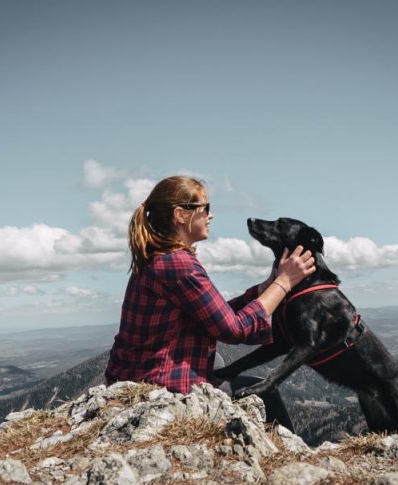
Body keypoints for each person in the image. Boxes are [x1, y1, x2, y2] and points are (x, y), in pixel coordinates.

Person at [105, 176, 315, 428]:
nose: (211, 216)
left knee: (218, 363)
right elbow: (234, 329)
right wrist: (284, 282)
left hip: (132, 374)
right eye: (205, 208)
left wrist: (265, 287)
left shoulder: (158, 258)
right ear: (181, 215)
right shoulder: (179, 264)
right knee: (264, 390)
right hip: (162, 386)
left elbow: (212, 312)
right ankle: (289, 455)